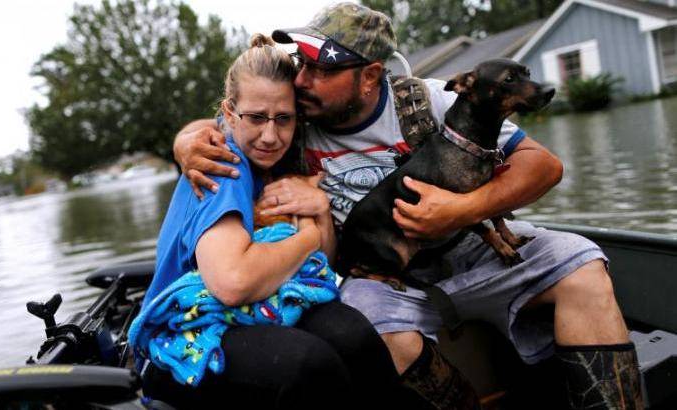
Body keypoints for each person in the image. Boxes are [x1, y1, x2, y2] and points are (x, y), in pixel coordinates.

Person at [172, 3, 643, 409]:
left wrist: (461, 209)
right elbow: (224, 122)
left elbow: (542, 165)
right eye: (302, 62)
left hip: (475, 250)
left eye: (322, 68)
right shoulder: (292, 113)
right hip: (380, 273)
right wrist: (187, 143)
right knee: (363, 329)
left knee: (582, 267)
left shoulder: (433, 100)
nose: (303, 78)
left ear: (370, 75)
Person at [138, 33, 401, 409]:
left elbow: (321, 264)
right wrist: (308, 236)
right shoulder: (220, 163)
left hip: (254, 307)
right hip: (183, 334)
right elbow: (232, 282)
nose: (270, 135)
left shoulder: (283, 162)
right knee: (309, 365)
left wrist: (320, 209)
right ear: (228, 114)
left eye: (283, 119)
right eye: (256, 118)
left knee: (355, 335)